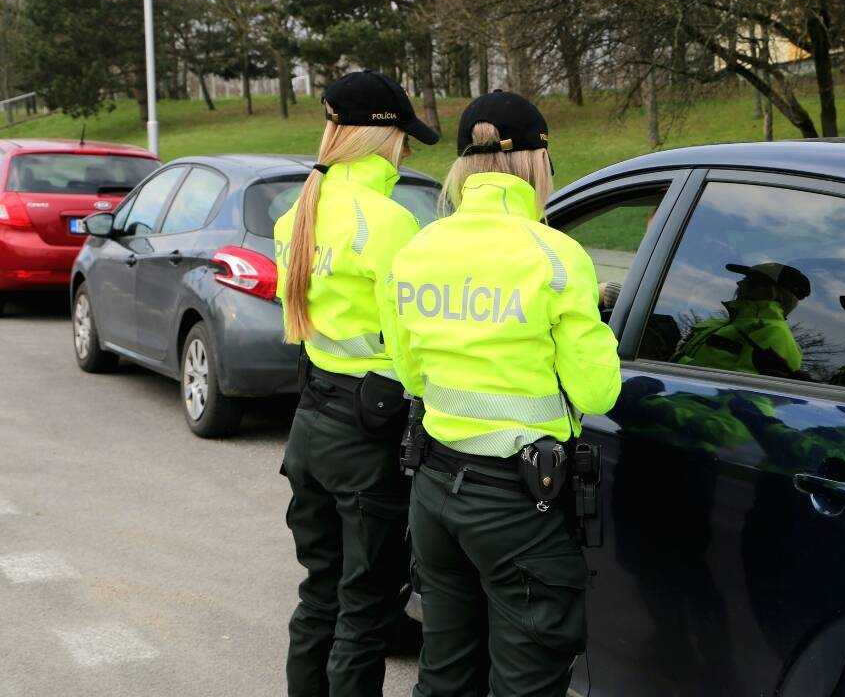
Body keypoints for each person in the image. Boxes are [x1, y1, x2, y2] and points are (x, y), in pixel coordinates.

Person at [387, 90, 622, 697]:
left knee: (443, 674)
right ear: (537, 162)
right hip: (521, 506)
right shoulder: (558, 257)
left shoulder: (416, 250)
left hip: (435, 492)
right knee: (525, 682)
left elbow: (412, 376)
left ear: (465, 165)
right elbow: (596, 392)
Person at [273, 70, 439, 697]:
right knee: (366, 609)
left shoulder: (300, 213)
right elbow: (412, 343)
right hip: (368, 434)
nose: (406, 150)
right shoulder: (389, 223)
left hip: (311, 423)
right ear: (381, 138)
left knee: (321, 592)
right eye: (404, 139)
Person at [671, 262, 811, 378]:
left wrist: (673, 358)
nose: (738, 283)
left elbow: (746, 398)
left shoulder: (774, 334)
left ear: (770, 291)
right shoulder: (725, 323)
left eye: (748, 280)